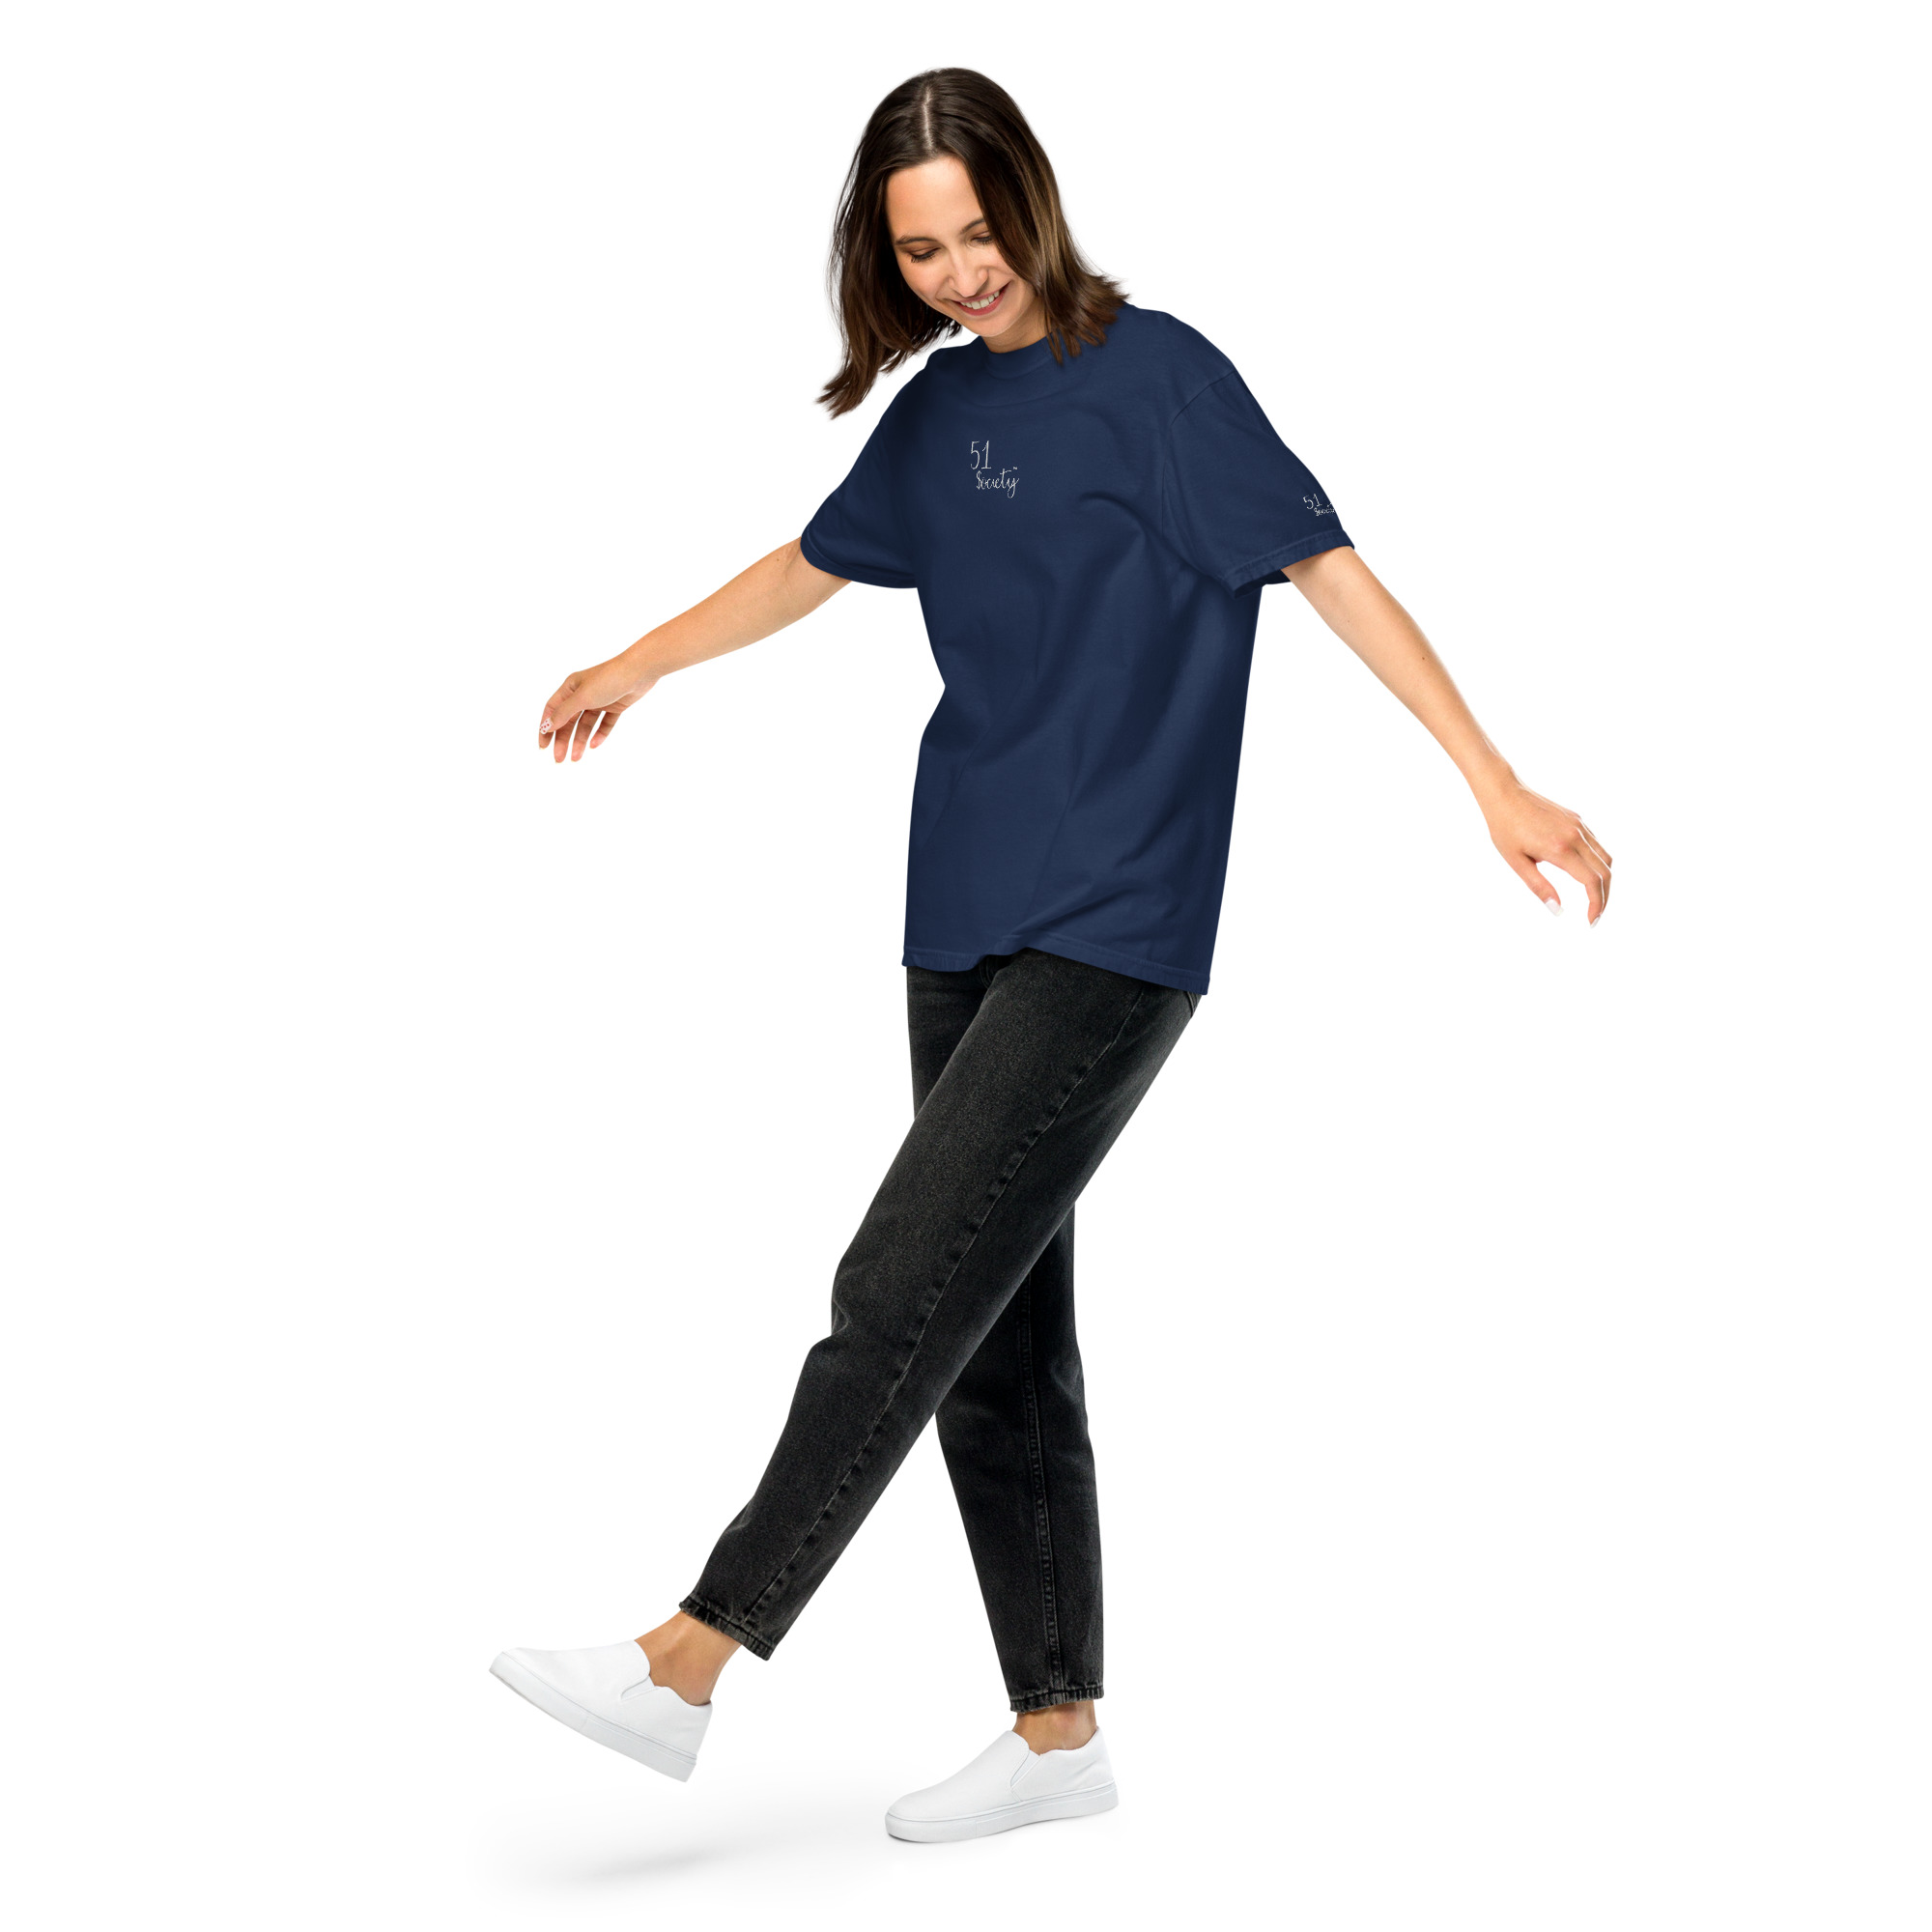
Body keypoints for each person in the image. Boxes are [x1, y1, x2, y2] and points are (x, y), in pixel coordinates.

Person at [489, 66, 1612, 1844]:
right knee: (996, 1329)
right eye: (920, 252)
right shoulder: (939, 415)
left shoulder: (1162, 378)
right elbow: (809, 565)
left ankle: (687, 1659)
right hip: (958, 909)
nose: (960, 272)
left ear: (1033, 194)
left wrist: (1493, 778)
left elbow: (1328, 568)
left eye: (978, 230)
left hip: (1118, 919)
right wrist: (636, 660)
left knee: (897, 1285)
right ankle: (1058, 1730)